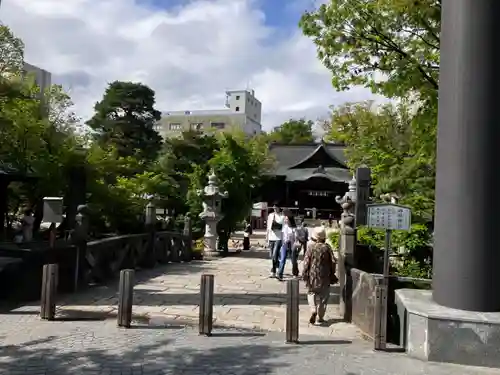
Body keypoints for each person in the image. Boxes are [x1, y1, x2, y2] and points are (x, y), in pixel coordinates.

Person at [302, 227, 338, 325]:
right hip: (325, 276)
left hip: (313, 276)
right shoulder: (327, 247)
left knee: (311, 293)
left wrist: (304, 274)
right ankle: (320, 317)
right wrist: (332, 273)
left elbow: (306, 262)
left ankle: (313, 309)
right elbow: (333, 261)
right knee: (324, 297)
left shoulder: (311, 247)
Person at [277, 213, 298, 280]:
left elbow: (296, 237)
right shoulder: (284, 227)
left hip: (292, 245)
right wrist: (283, 243)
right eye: (285, 219)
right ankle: (280, 274)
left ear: (290, 220)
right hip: (285, 245)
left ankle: (295, 273)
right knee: (282, 259)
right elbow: (283, 236)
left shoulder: (294, 228)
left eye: (287, 219)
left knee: (293, 261)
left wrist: (294, 242)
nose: (285, 220)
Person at [266, 203, 283, 278]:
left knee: (274, 254)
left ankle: (273, 271)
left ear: (279, 208)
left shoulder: (282, 216)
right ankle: (278, 265)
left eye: (276, 207)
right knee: (272, 255)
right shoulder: (270, 215)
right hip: (271, 237)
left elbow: (284, 227)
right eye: (274, 207)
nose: (275, 208)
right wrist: (266, 237)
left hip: (278, 238)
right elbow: (268, 227)